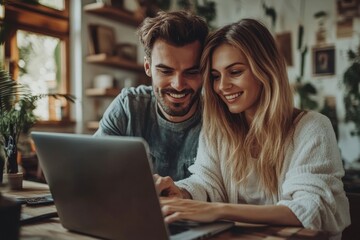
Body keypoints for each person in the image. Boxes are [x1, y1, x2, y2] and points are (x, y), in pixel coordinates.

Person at [155, 18, 350, 239]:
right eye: (215, 76)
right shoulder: (218, 129)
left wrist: (218, 210)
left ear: (265, 69)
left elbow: (309, 209)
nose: (222, 86)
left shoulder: (312, 128)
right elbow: (206, 182)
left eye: (235, 72)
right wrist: (182, 192)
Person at [94, 11, 208, 181]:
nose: (178, 84)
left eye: (192, 72)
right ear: (148, 67)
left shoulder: (216, 116)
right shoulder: (128, 107)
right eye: (166, 71)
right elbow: (94, 167)